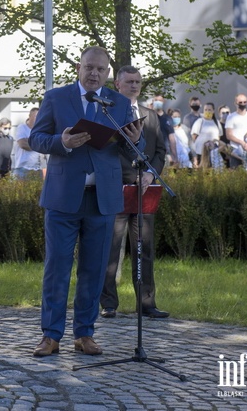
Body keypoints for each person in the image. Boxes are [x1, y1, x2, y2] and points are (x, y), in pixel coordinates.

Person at [28, 46, 143, 358]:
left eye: (100, 70)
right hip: (63, 198)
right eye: (89, 68)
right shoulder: (55, 98)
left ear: (108, 74)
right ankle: (51, 335)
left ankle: (85, 334)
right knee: (57, 268)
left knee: (94, 270)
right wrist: (60, 142)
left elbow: (133, 151)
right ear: (79, 68)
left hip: (102, 200)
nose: (94, 74)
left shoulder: (118, 103)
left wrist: (135, 140)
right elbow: (36, 138)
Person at [100, 66, 168, 321]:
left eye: (138, 81)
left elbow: (160, 151)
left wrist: (151, 173)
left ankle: (147, 303)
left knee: (144, 248)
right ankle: (108, 303)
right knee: (111, 249)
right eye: (129, 81)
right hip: (116, 189)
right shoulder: (108, 114)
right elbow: (105, 152)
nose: (134, 85)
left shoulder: (150, 115)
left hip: (143, 190)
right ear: (117, 84)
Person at [224, 94, 247, 169]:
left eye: (244, 102)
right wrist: (242, 142)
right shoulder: (231, 117)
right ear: (235, 103)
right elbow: (229, 135)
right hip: (236, 149)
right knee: (236, 173)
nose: (243, 104)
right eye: (240, 102)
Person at [190, 103, 224, 170]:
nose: (207, 111)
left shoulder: (216, 122)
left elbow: (219, 137)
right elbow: (194, 137)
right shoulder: (200, 121)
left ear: (213, 111)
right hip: (201, 153)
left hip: (213, 153)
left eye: (209, 110)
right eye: (206, 110)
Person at [12, 108, 43, 180]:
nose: (39, 118)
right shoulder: (22, 128)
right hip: (23, 168)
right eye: (36, 116)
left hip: (37, 168)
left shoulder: (40, 130)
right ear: (30, 116)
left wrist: (29, 141)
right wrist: (39, 144)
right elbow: (23, 144)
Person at [151, 95, 177, 166]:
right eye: (156, 100)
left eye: (160, 100)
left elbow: (171, 138)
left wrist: (174, 155)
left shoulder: (168, 118)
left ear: (163, 102)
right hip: (150, 153)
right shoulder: (149, 116)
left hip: (165, 154)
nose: (157, 102)